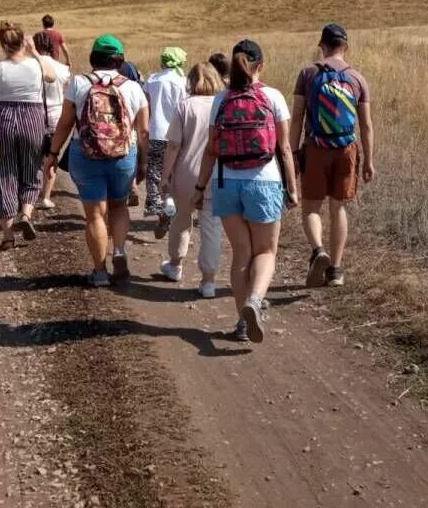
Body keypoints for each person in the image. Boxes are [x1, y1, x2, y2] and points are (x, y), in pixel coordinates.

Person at [196, 39, 299, 343]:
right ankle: (256, 300)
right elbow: (284, 149)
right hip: (264, 180)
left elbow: (212, 149)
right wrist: (292, 189)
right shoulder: (273, 96)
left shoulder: (220, 99)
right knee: (266, 251)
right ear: (260, 66)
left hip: (226, 181)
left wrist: (200, 187)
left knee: (241, 254)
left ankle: (243, 321)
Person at [45, 35, 149, 287]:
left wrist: (53, 153)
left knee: (94, 215)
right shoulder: (133, 87)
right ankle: (120, 251)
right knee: (119, 206)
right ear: (120, 59)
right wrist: (144, 163)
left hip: (86, 153)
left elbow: (66, 123)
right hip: (124, 155)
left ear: (93, 57)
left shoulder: (79, 84)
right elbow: (144, 131)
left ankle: (100, 271)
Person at [291, 23, 375, 288]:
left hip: (316, 148)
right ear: (345, 46)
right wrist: (369, 160)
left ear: (322, 45)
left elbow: (296, 119)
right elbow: (366, 125)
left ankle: (318, 251)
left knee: (311, 208)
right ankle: (336, 271)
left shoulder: (308, 74)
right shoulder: (358, 78)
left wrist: (292, 153)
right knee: (338, 208)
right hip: (346, 149)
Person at [0, 22, 59, 249]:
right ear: (23, 40)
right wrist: (34, 51)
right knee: (32, 168)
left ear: (3, 43)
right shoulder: (36, 65)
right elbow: (52, 76)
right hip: (33, 116)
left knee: (4, 172)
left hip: (4, 116)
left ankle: (7, 236)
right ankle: (25, 214)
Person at [160, 63, 224, 296]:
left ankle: (175, 264)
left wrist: (165, 176)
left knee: (181, 219)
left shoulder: (185, 106)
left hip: (186, 173)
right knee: (211, 228)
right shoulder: (223, 104)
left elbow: (174, 145)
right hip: (217, 173)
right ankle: (208, 280)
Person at [144, 47, 188, 235]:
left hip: (155, 133)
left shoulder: (152, 80)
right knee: (176, 175)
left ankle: (162, 211)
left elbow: (146, 107)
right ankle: (176, 210)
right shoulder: (184, 82)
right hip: (178, 135)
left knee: (155, 175)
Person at [33, 31, 71, 210]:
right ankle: (46, 196)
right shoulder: (62, 69)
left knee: (33, 156)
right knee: (52, 155)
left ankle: (28, 193)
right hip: (56, 114)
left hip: (34, 113)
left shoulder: (30, 66)